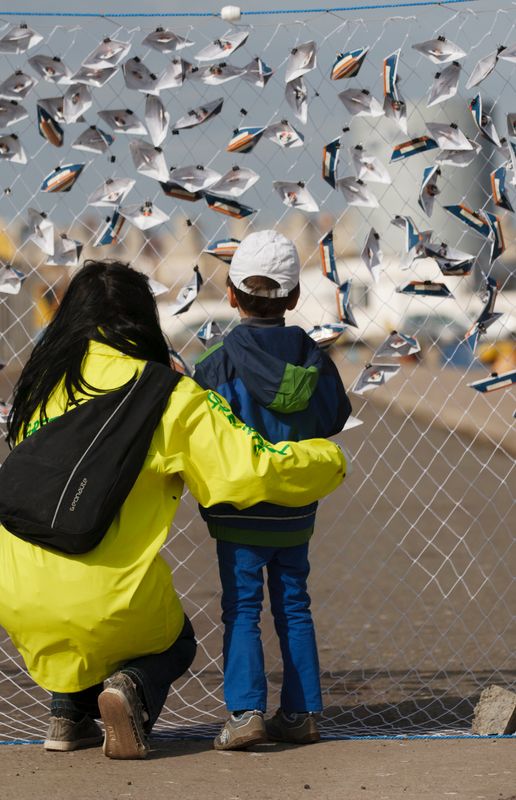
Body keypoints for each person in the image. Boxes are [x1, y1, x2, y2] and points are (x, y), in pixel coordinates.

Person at [0, 259, 351, 760]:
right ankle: (131, 688)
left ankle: (65, 716)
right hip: (109, 595)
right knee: (173, 639)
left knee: (68, 606)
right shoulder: (168, 395)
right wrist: (326, 458)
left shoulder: (43, 382)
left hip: (8, 583)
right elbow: (246, 470)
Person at [191, 231, 352, 751]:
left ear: (232, 294)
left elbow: (197, 428)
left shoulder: (217, 360)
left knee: (241, 607)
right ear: (294, 298)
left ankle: (245, 713)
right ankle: (302, 712)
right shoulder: (314, 358)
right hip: (295, 508)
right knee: (294, 603)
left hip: (239, 509)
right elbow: (335, 415)